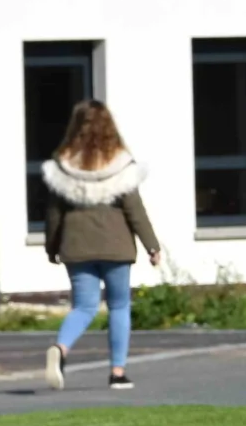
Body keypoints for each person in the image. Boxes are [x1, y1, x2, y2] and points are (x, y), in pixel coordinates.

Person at [41, 99, 161, 392]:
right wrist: (152, 246)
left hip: (76, 245)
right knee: (119, 306)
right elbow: (135, 210)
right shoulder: (121, 165)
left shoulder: (63, 166)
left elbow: (53, 213)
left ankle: (61, 348)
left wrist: (52, 246)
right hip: (115, 245)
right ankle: (117, 373)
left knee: (83, 307)